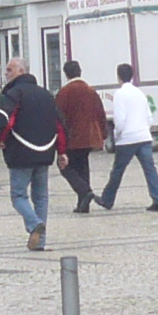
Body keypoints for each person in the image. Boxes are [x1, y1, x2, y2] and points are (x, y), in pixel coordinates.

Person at [0, 58, 61, 252]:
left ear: (21, 71)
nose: (6, 74)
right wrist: (62, 151)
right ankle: (40, 241)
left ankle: (34, 224)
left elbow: (4, 120)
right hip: (45, 152)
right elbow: (59, 124)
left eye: (9, 70)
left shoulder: (14, 94)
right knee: (41, 197)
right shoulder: (46, 94)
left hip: (21, 152)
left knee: (18, 196)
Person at [96, 62, 158, 211]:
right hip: (143, 136)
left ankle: (107, 199)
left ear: (119, 77)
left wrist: (116, 134)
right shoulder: (139, 93)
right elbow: (149, 117)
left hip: (127, 138)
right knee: (149, 169)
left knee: (118, 170)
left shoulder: (120, 94)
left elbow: (120, 120)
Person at [55, 59, 108, 215]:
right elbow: (100, 114)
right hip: (89, 136)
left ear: (66, 74)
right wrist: (103, 134)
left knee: (65, 167)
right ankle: (83, 204)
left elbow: (58, 116)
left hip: (72, 137)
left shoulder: (64, 92)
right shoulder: (90, 91)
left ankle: (85, 192)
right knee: (83, 167)